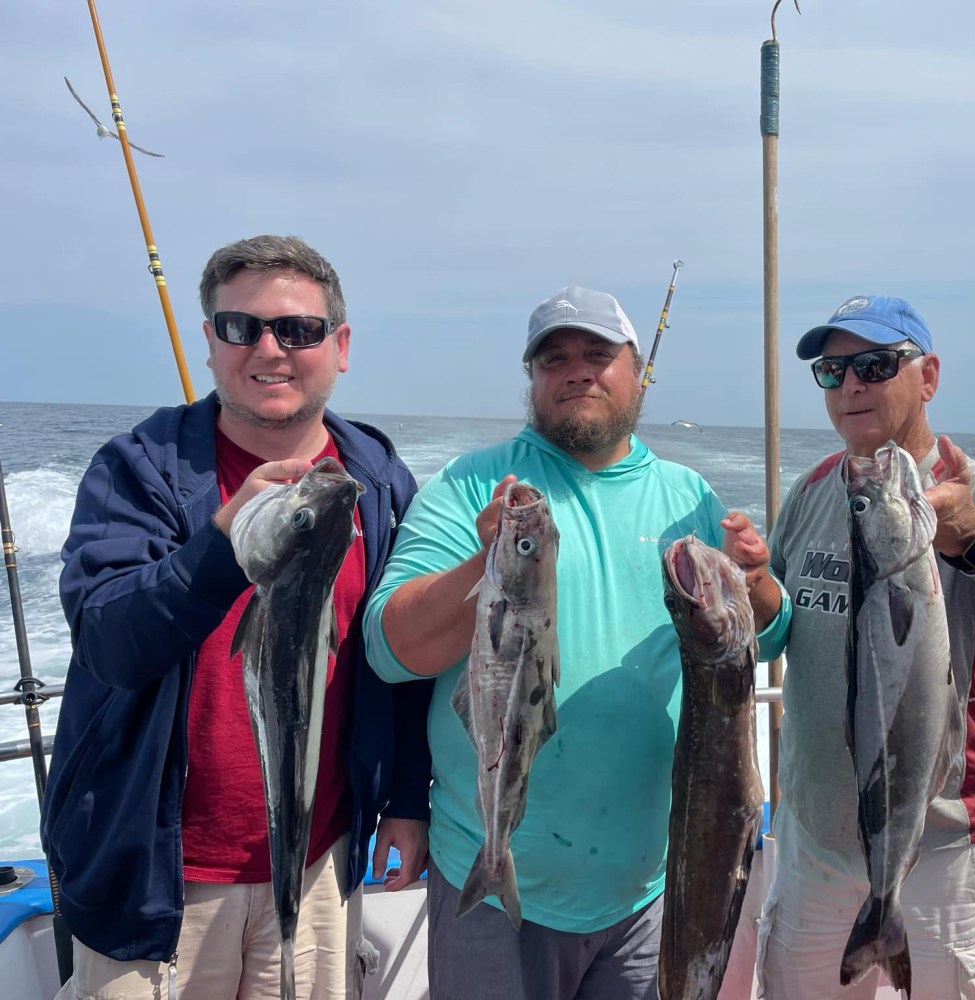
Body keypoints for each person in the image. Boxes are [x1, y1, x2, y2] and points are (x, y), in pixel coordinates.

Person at [363, 285, 783, 1000]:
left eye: (597, 354)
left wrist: (758, 580)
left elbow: (765, 638)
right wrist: (488, 559)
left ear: (634, 370)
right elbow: (387, 648)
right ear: (532, 379)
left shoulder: (690, 496)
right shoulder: (470, 488)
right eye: (553, 359)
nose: (576, 372)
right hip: (490, 885)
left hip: (647, 889)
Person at [41, 234, 432, 999]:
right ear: (212, 345)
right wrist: (222, 545)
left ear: (339, 346)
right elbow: (110, 642)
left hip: (321, 864)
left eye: (298, 329)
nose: (269, 348)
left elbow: (405, 654)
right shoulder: (138, 468)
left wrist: (409, 799)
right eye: (239, 327)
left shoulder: (378, 479)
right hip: (155, 881)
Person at [754, 294, 975, 1000]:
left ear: (928, 376)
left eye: (875, 364)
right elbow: (781, 628)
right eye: (832, 371)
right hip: (812, 843)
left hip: (942, 847)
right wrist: (748, 590)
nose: (851, 385)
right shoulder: (814, 490)